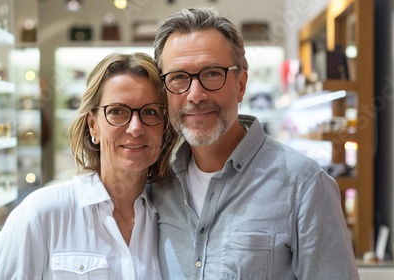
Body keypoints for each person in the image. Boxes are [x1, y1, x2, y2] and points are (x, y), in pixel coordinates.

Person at [149, 7, 360, 280]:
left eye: (212, 73)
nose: (196, 94)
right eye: (178, 77)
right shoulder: (157, 185)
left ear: (241, 84)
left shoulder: (305, 186)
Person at [0, 52, 177, 280]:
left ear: (164, 127)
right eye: (117, 112)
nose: (135, 128)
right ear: (93, 126)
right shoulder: (42, 214)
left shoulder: (170, 220)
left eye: (150, 112)